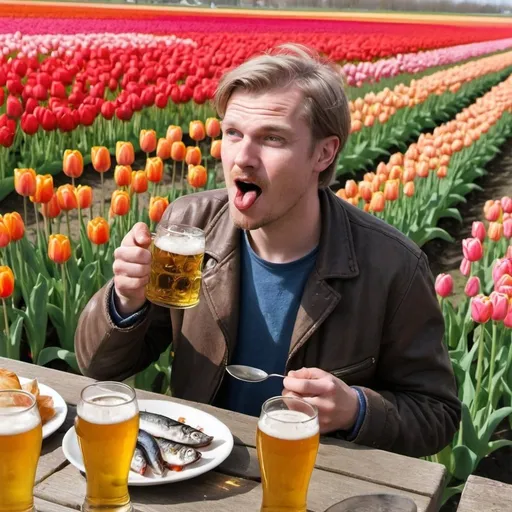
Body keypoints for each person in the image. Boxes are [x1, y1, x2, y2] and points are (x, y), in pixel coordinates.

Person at [75, 43, 461, 458]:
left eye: (272, 139)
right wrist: (124, 302)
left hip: (312, 479)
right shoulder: (190, 229)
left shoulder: (391, 267)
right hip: (193, 466)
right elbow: (99, 367)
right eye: (233, 133)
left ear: (323, 153)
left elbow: (436, 414)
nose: (242, 158)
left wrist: (357, 410)